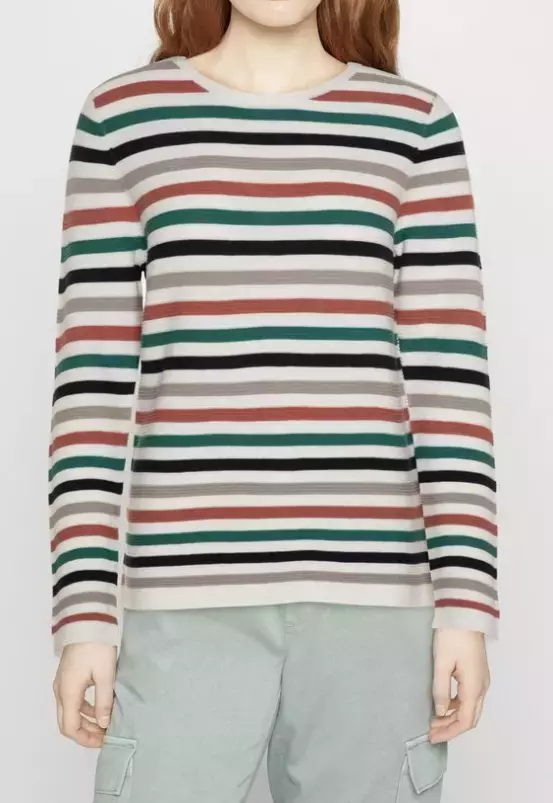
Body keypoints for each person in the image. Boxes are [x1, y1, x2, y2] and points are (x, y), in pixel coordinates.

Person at [49, 1, 499, 801]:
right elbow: (91, 384)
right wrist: (83, 612)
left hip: (373, 606)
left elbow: (447, 379)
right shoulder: (124, 119)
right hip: (182, 602)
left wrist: (465, 603)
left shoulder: (414, 126)